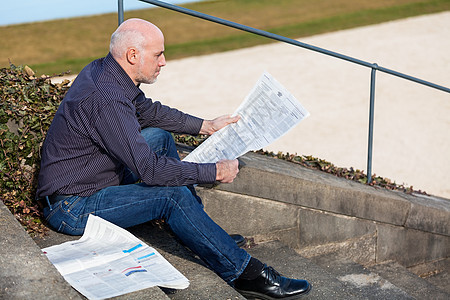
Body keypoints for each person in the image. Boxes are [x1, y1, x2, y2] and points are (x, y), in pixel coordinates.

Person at [36, 18, 311, 299]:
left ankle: (205, 233)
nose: (164, 61)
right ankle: (245, 274)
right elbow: (151, 171)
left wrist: (206, 125)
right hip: (72, 207)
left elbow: (149, 112)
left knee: (160, 137)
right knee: (172, 195)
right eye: (158, 55)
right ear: (133, 55)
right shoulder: (107, 98)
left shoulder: (105, 70)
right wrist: (213, 172)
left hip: (94, 178)